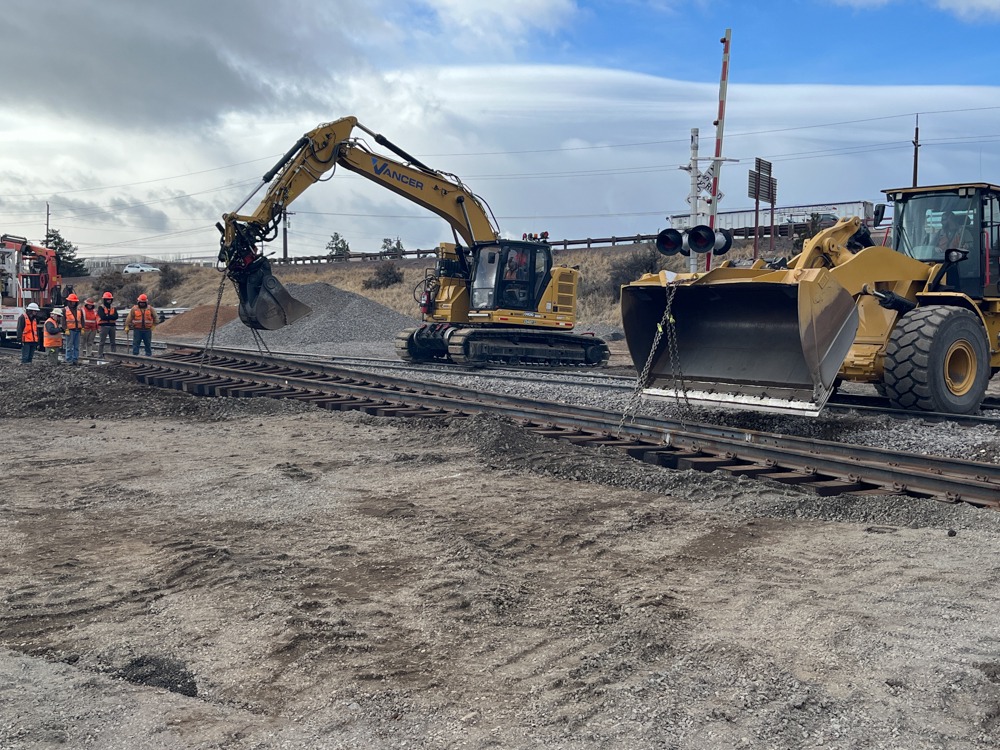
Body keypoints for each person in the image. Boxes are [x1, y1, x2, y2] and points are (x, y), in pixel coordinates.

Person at [63, 293, 84, 365]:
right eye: (72, 301)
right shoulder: (65, 310)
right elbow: (63, 321)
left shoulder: (79, 310)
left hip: (77, 330)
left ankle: (75, 359)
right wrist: (65, 329)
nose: (73, 303)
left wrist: (82, 328)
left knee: (76, 346)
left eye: (74, 301)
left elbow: (82, 320)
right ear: (69, 301)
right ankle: (69, 359)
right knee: (69, 346)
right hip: (70, 330)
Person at [96, 291, 118, 359]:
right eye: (107, 299)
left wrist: (107, 316)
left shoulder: (113, 308)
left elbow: (116, 316)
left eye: (110, 299)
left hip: (112, 326)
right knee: (102, 342)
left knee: (113, 342)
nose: (109, 301)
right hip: (104, 326)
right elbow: (103, 316)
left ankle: (114, 355)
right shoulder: (101, 307)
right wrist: (110, 316)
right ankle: (99, 355)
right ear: (104, 300)